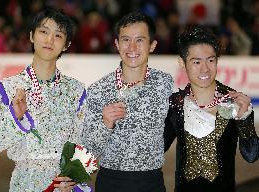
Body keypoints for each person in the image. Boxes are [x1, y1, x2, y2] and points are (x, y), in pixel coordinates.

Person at [0, 8, 86, 192]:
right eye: (44, 32)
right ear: (31, 36)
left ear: (67, 44)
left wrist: (76, 176)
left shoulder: (76, 90)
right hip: (25, 184)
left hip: (64, 187)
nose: (49, 40)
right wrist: (15, 118)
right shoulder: (8, 88)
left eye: (58, 35)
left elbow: (84, 143)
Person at [82, 12, 173, 192]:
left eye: (140, 40)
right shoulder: (98, 90)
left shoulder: (164, 83)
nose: (132, 47)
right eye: (125, 40)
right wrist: (105, 124)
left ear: (152, 45)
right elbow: (88, 151)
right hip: (111, 182)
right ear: (117, 44)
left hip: (152, 182)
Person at [163, 25, 259, 192]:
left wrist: (245, 120)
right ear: (182, 62)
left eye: (210, 60)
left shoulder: (234, 102)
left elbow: (251, 156)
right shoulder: (177, 104)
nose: (205, 68)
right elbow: (156, 148)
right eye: (197, 62)